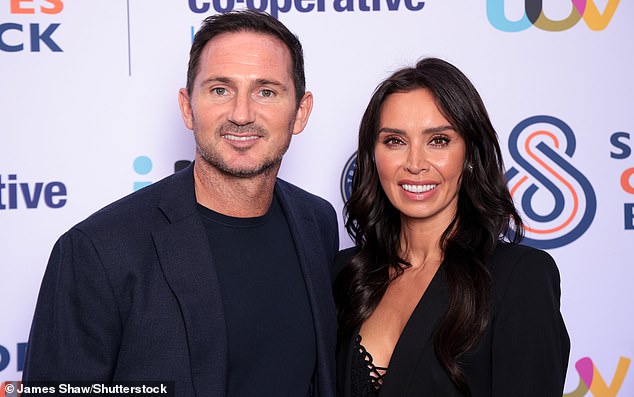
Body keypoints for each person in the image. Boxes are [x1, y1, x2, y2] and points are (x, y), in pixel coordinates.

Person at [23, 10, 338, 397]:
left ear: (301, 112)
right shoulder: (98, 251)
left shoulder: (317, 223)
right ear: (188, 107)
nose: (241, 114)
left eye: (266, 91)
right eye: (220, 89)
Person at [333, 57, 570, 397]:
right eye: (395, 141)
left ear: (470, 154)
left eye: (439, 140)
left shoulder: (519, 277)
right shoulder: (345, 274)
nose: (415, 164)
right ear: (373, 156)